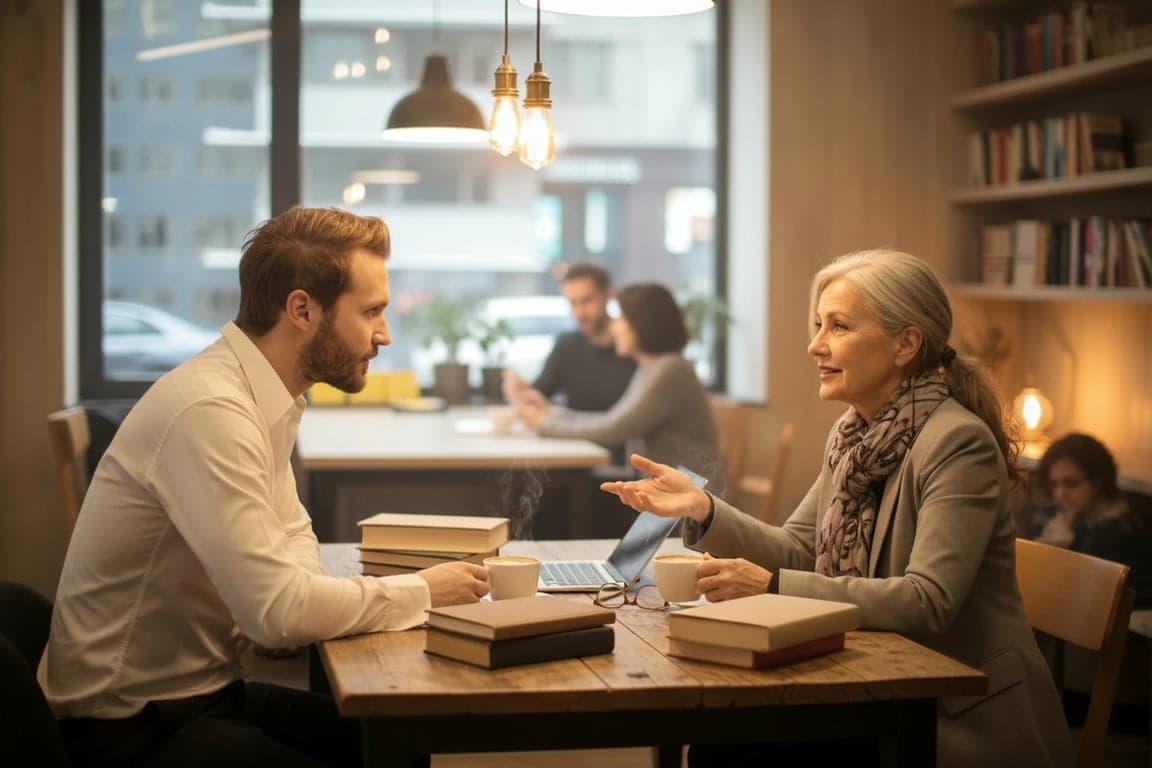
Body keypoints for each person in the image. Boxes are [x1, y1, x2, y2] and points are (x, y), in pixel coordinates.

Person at [39, 207, 489, 768]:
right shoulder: (213, 410)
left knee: (395, 739)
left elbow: (293, 530)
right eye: (371, 311)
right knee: (385, 746)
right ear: (301, 309)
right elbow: (276, 611)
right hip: (127, 729)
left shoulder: (262, 395)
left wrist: (286, 605)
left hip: (199, 696)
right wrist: (424, 590)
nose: (385, 334)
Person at [602, 250, 1071, 768]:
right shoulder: (854, 433)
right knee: (722, 744)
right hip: (877, 682)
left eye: (839, 326)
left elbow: (928, 602)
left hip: (952, 711)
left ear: (905, 344)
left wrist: (771, 587)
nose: (814, 345)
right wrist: (703, 510)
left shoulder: (958, 443)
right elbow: (800, 548)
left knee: (728, 752)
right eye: (819, 324)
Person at [516, 282, 722, 492]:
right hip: (670, 494)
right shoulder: (653, 367)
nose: (614, 327)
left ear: (642, 324)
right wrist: (552, 415)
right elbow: (611, 418)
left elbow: (613, 429)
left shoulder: (669, 370)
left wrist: (544, 424)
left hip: (690, 503)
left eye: (621, 319)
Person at [1028, 433, 1152, 603]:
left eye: (1070, 483)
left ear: (1098, 481)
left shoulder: (1120, 533)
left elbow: (1083, 601)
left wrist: (1063, 552)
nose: (1059, 495)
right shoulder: (1083, 521)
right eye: (1055, 484)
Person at [502, 261, 637, 416]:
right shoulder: (567, 346)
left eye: (587, 301)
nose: (579, 313)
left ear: (607, 293)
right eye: (572, 303)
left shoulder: (632, 347)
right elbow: (540, 393)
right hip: (575, 438)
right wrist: (521, 391)